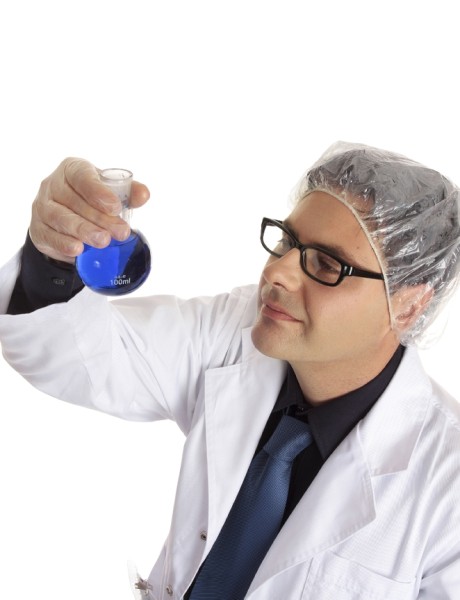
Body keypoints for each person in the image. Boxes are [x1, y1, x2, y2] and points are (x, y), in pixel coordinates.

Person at [0, 141, 459, 599]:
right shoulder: (236, 330)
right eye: (287, 241)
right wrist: (52, 254)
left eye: (325, 264)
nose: (277, 273)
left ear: (409, 305)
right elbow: (77, 357)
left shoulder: (448, 483)